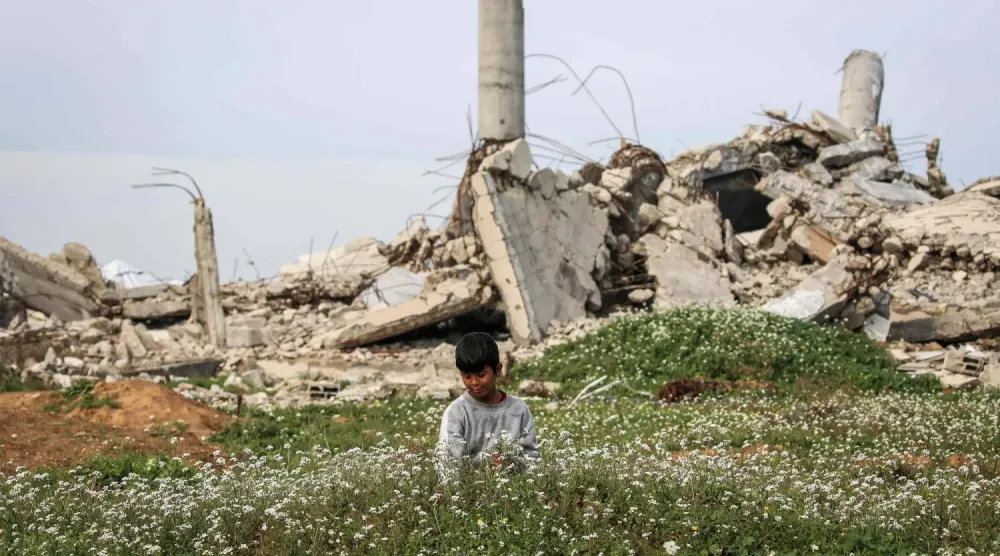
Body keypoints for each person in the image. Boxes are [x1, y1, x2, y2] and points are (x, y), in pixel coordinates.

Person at [436, 332, 540, 478]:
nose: (474, 382)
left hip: (513, 491)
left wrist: (513, 464)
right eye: (467, 376)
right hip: (471, 492)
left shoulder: (518, 409)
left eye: (481, 374)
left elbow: (533, 459)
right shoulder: (456, 412)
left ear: (498, 370)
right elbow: (448, 466)